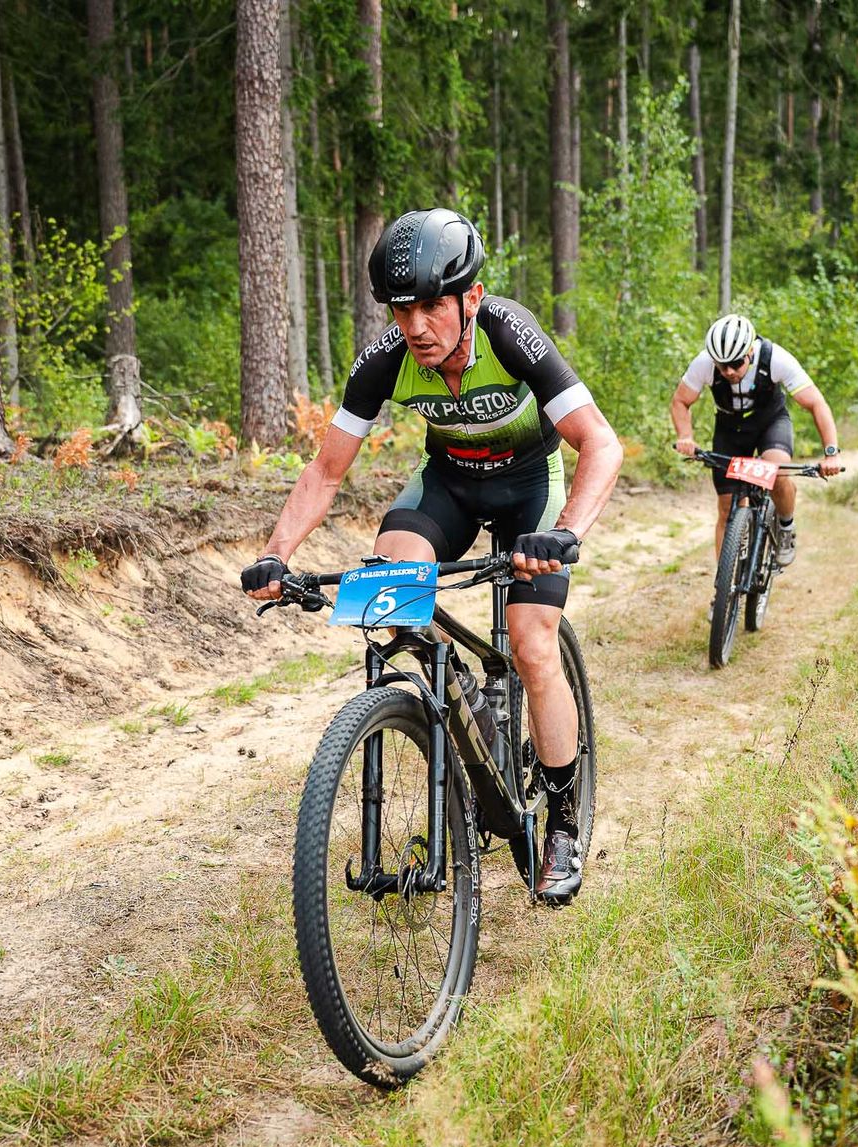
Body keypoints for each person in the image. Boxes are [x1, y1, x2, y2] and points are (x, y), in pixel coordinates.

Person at [241, 208, 623, 902]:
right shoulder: (386, 359)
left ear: (470, 298)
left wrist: (564, 532)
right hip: (448, 485)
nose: (416, 325)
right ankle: (465, 709)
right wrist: (276, 554)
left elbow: (601, 442)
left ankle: (563, 818)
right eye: (401, 308)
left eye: (431, 306)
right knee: (389, 591)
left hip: (529, 489)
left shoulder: (511, 335)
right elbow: (326, 472)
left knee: (534, 643)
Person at [670, 314, 844, 568]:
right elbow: (680, 401)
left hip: (770, 422)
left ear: (750, 351)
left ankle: (785, 526)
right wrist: (686, 436)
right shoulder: (704, 363)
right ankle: (723, 590)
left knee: (776, 471)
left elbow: (816, 404)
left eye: (736, 363)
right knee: (726, 506)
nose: (728, 371)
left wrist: (831, 453)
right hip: (729, 427)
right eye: (722, 365)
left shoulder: (776, 359)